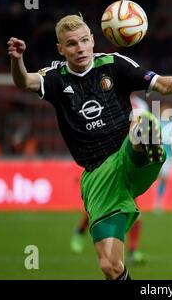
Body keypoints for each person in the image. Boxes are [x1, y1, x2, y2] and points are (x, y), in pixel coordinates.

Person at [8, 14, 172, 280]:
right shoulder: (55, 78)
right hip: (97, 177)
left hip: (125, 158)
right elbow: (24, 82)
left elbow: (160, 83)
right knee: (111, 266)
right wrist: (17, 60)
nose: (81, 48)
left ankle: (146, 144)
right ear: (61, 49)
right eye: (72, 44)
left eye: (85, 41)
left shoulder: (114, 64)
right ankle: (145, 141)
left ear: (93, 40)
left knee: (140, 125)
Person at [70, 94, 149, 266]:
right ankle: (80, 229)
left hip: (127, 162)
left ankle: (133, 250)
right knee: (99, 205)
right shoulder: (108, 97)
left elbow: (143, 131)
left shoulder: (141, 105)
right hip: (106, 161)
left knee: (134, 207)